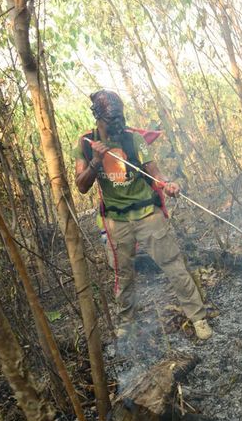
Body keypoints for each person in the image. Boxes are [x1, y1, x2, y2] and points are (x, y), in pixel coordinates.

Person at [74, 89, 212, 340]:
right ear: (98, 118)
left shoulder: (133, 140)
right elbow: (81, 186)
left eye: (119, 118)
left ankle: (198, 317)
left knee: (173, 264)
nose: (117, 124)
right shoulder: (85, 143)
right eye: (111, 120)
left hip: (148, 214)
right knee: (123, 273)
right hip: (116, 221)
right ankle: (127, 322)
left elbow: (155, 174)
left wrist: (167, 185)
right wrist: (96, 160)